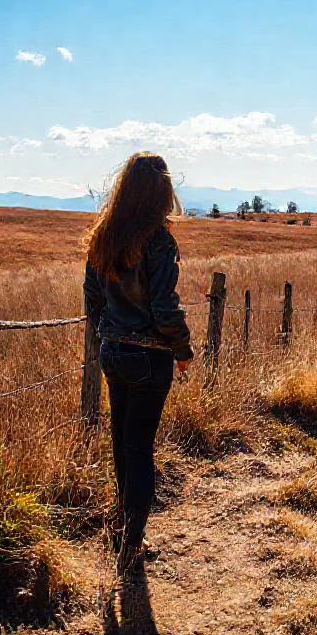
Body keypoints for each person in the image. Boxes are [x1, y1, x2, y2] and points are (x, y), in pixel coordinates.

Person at [83, 152, 194, 578]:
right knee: (140, 445)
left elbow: (92, 298)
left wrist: (105, 335)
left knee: (121, 440)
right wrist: (182, 350)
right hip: (150, 355)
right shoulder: (160, 240)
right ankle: (132, 541)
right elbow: (165, 306)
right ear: (162, 190)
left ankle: (122, 526)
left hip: (113, 351)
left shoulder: (105, 235)